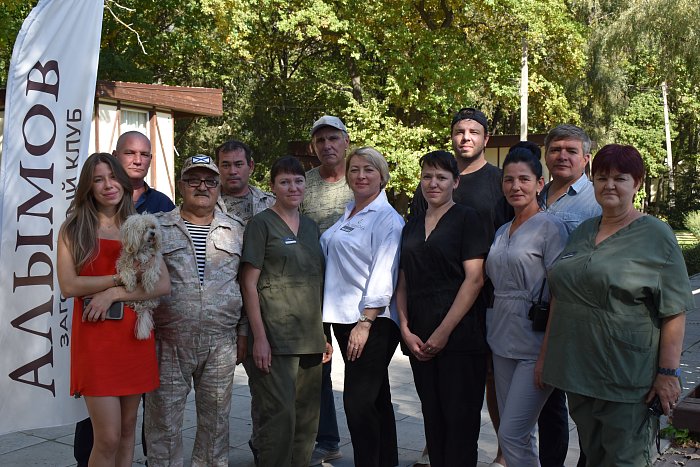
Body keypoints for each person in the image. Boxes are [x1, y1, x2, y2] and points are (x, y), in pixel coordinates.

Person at [540, 144, 693, 466]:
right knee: (594, 457)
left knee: (625, 459)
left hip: (627, 379)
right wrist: (545, 357)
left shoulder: (655, 235)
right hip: (578, 372)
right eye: (601, 178)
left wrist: (668, 373)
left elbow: (674, 310)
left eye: (620, 178)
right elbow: (562, 295)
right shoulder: (584, 230)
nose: (609, 185)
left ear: (637, 183)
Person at [410, 107, 512, 467]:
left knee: (487, 382)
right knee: (440, 398)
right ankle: (435, 448)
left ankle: (504, 451)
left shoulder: (498, 181)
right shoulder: (428, 189)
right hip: (432, 305)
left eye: (473, 131)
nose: (465, 137)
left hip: (487, 297)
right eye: (459, 131)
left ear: (486, 138)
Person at [57, 152, 171, 467]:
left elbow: (162, 284)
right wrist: (116, 280)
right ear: (88, 187)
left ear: (122, 181)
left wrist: (113, 294)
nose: (108, 185)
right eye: (98, 179)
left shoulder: (138, 225)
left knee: (127, 431)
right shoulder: (73, 229)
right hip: (95, 341)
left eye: (112, 177)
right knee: (107, 437)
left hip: (134, 338)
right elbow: (69, 286)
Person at [145, 155, 246, 467]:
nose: (202, 186)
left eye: (210, 181)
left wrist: (243, 333)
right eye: (193, 180)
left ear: (218, 187)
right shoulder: (157, 227)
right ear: (181, 186)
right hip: (168, 342)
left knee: (216, 425)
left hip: (220, 344)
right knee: (163, 425)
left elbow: (245, 283)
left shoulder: (236, 229)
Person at [396, 150, 489, 466]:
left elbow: (474, 280)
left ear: (455, 182)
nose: (433, 183)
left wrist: (443, 332)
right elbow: (403, 282)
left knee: (460, 423)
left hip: (460, 338)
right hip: (419, 339)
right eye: (427, 176)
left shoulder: (468, 219)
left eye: (441, 177)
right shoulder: (411, 225)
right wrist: (405, 328)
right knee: (433, 421)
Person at [240, 156, 329, 467]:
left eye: (298, 181)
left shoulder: (311, 227)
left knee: (307, 420)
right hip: (275, 340)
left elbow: (316, 282)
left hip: (310, 339)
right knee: (279, 418)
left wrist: (323, 335)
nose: (293, 187)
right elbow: (248, 284)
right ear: (272, 187)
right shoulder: (261, 225)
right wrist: (259, 339)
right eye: (285, 182)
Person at [321, 146, 405, 467]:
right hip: (344, 319)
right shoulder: (349, 212)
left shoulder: (387, 219)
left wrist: (366, 322)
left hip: (372, 321)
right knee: (377, 398)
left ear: (382, 177)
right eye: (354, 169)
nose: (361, 175)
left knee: (357, 402)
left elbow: (384, 271)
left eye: (369, 170)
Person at [485, 145, 568, 466]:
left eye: (524, 179)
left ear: (539, 183)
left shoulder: (551, 228)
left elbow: (560, 292)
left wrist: (547, 354)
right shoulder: (502, 230)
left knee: (511, 434)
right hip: (501, 338)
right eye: (508, 180)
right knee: (517, 433)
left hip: (535, 344)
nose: (515, 186)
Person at [538, 124, 601, 467]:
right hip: (536, 316)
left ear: (586, 159)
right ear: (546, 156)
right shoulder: (536, 194)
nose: (562, 156)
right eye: (555, 149)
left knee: (585, 407)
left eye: (571, 150)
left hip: (578, 315)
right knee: (548, 405)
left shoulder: (596, 200)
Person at [302, 115, 354, 466]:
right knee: (317, 368)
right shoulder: (304, 183)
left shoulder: (359, 176)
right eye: (320, 140)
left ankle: (371, 441)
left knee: (361, 370)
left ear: (346, 141)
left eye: (333, 138)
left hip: (351, 293)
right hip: (313, 291)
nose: (327, 145)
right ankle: (326, 440)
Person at [216, 139, 275, 221]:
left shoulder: (271, 203)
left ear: (251, 166)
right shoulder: (206, 203)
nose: (232, 171)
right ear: (217, 168)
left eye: (238, 164)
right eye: (226, 165)